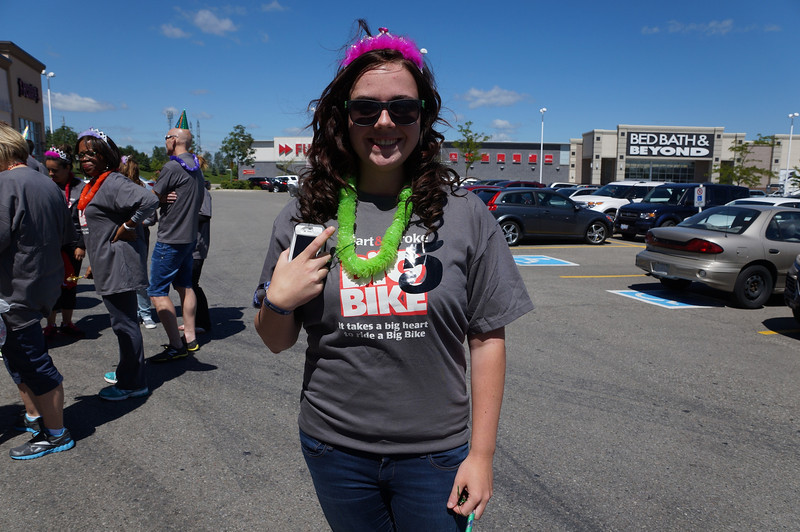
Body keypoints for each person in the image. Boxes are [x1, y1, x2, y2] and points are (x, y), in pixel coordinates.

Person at [254, 22, 533, 531]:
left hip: (436, 456)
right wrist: (278, 301)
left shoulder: (465, 214)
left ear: (422, 118)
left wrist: (483, 454)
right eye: (366, 108)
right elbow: (276, 342)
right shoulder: (305, 212)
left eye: (402, 108)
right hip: (333, 448)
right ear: (344, 117)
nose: (385, 122)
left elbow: (487, 336)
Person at [0, 121, 75, 459]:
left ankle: (56, 433)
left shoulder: (6, 184)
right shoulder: (46, 184)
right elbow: (64, 234)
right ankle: (34, 417)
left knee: (31, 361)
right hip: (42, 284)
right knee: (19, 357)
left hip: (16, 289)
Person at [75, 128, 157, 400]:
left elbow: (150, 200)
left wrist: (128, 225)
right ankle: (128, 371)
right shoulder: (96, 183)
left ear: (106, 155)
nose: (85, 159)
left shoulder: (111, 181)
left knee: (124, 325)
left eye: (91, 153)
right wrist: (92, 262)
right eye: (81, 155)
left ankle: (133, 383)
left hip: (119, 264)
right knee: (122, 324)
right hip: (105, 263)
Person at [147, 111, 205, 362]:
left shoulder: (172, 166)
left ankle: (175, 345)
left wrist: (159, 197)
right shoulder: (196, 167)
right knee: (185, 286)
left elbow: (149, 198)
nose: (165, 142)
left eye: (166, 138)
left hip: (170, 238)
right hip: (189, 237)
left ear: (173, 140)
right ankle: (190, 337)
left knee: (158, 292)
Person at [43, 144, 87, 339]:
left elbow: (85, 220)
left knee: (70, 285)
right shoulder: (45, 186)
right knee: (51, 286)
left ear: (68, 167)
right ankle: (50, 324)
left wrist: (81, 244)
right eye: (48, 170)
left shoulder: (81, 188)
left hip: (72, 245)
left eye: (55, 170)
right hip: (51, 245)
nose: (51, 174)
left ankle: (67, 322)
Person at [119, 155, 157, 329]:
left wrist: (135, 222)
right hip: (121, 237)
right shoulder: (117, 190)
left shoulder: (143, 190)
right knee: (124, 274)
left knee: (139, 274)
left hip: (139, 236)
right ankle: (132, 311)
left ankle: (145, 312)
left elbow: (152, 218)